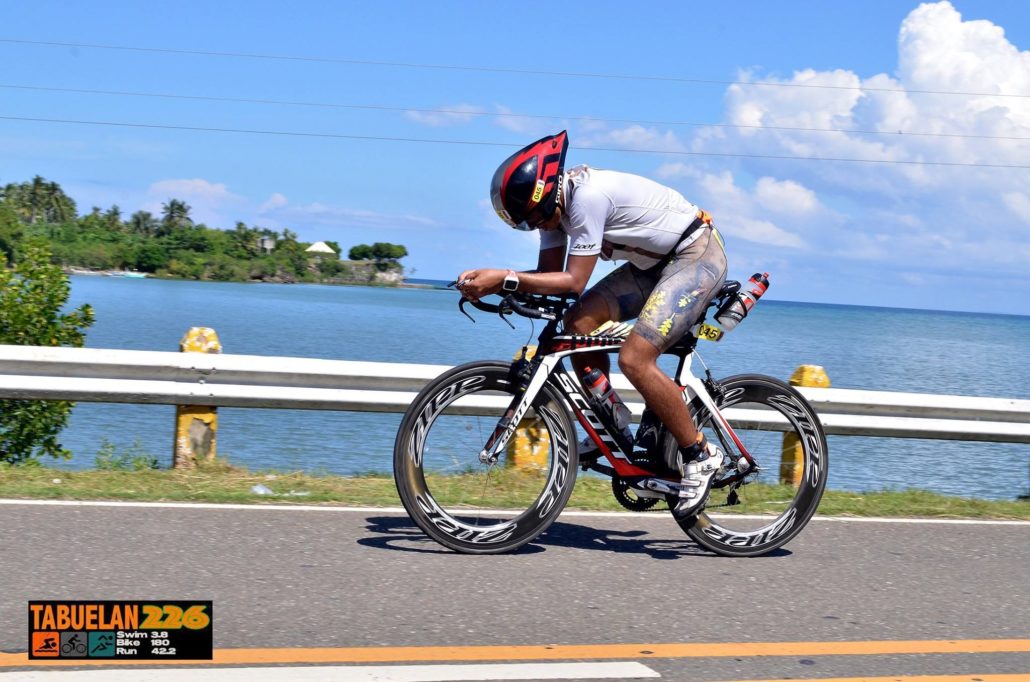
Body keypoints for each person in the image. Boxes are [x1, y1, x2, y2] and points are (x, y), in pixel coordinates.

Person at [457, 130, 728, 516]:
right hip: (653, 266)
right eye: (526, 224)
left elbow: (573, 282)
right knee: (577, 324)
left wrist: (503, 278)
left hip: (695, 257)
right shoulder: (552, 209)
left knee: (635, 358)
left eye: (535, 218)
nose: (537, 226)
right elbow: (547, 279)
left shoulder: (586, 199)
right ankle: (614, 425)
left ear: (548, 194)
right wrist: (500, 287)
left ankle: (700, 454)